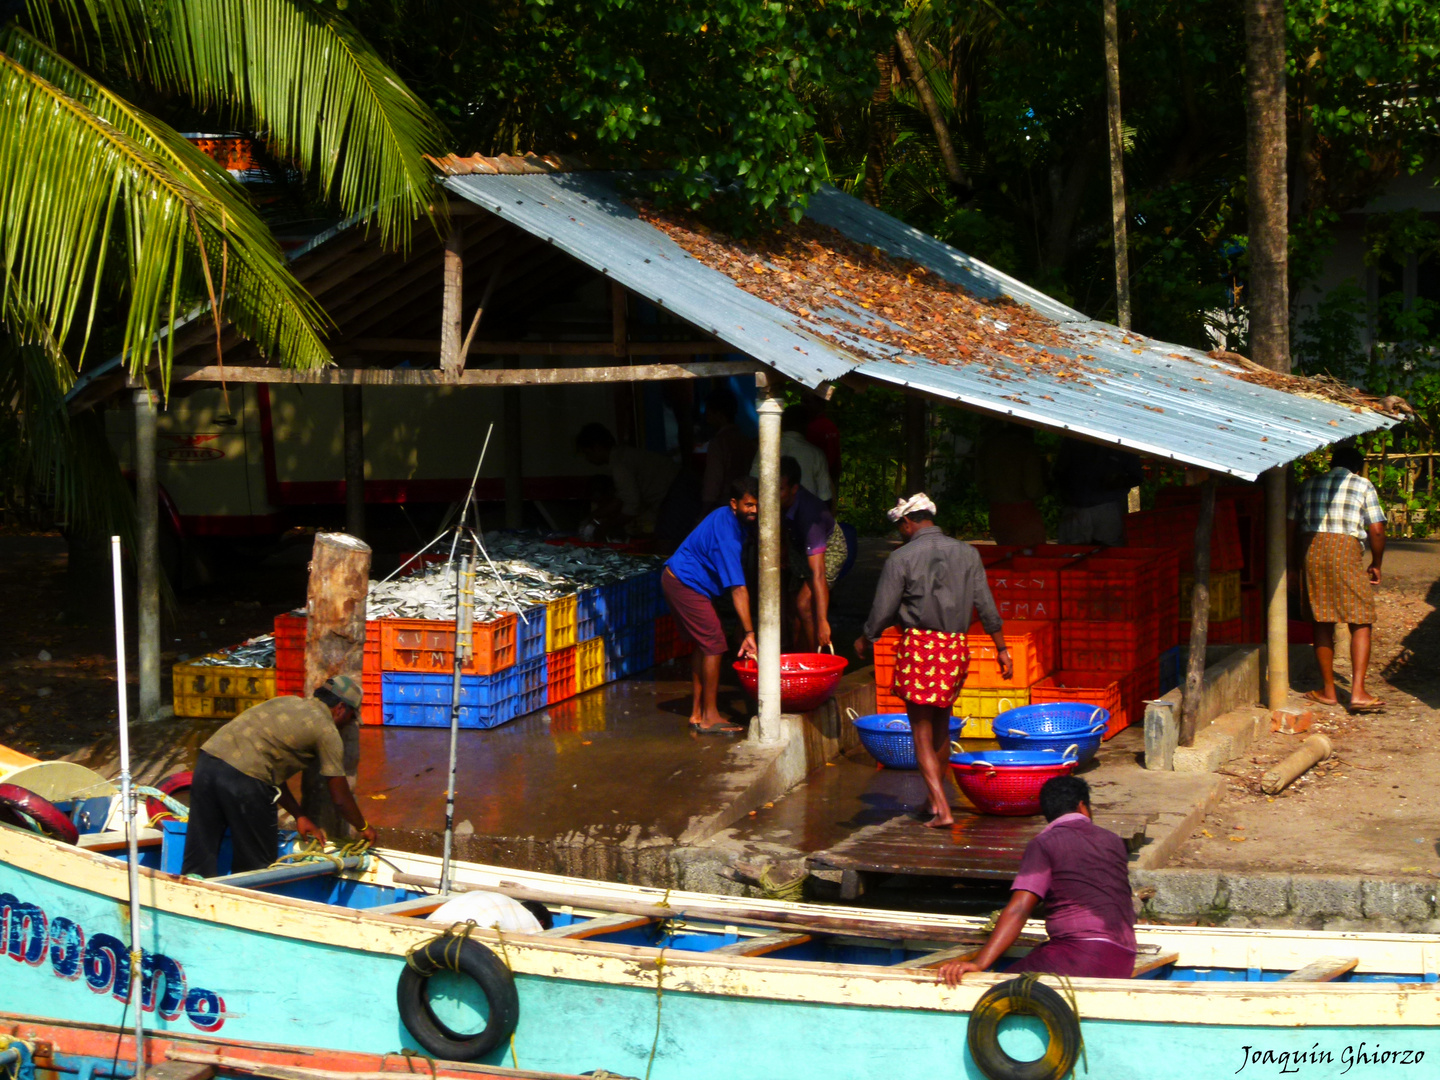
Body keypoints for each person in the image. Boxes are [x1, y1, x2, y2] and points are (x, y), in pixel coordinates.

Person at [854, 493, 1011, 828]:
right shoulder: (968, 553)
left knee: (921, 731)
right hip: (955, 647)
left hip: (921, 648)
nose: (901, 532)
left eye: (901, 527)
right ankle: (932, 799)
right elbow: (985, 605)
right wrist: (1001, 648)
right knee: (942, 726)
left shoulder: (902, 557)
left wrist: (866, 636)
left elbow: (883, 609)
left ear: (908, 523)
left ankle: (942, 807)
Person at [940, 776, 1136, 984]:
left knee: (997, 988)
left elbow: (1020, 909)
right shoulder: (1113, 841)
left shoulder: (1044, 843)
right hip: (1124, 956)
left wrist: (980, 963)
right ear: (1082, 807)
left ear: (1047, 814)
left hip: (1081, 955)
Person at [182, 675, 376, 878]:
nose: (349, 723)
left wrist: (299, 815)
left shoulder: (286, 701)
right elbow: (340, 798)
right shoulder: (327, 730)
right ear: (341, 709)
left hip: (207, 763)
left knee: (199, 855)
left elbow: (267, 768)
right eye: (352, 717)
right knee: (256, 867)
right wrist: (363, 827)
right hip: (244, 782)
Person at [1289, 440, 1387, 713]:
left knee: (1321, 619)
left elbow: (1290, 526)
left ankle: (1329, 691)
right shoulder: (1363, 485)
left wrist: (1292, 564)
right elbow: (1376, 530)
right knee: (1361, 619)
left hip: (1311, 550)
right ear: (1357, 467)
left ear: (1331, 464)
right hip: (1346, 551)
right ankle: (1358, 692)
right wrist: (1376, 563)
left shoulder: (1307, 485)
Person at [663, 477, 760, 733]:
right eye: (749, 505)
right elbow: (738, 589)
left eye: (757, 506)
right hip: (685, 583)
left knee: (705, 644)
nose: (754, 510)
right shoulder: (727, 536)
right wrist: (749, 633)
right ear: (734, 503)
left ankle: (697, 712)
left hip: (685, 581)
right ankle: (710, 717)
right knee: (715, 644)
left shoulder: (727, 516)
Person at [575, 423, 697, 549]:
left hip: (678, 490)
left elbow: (631, 505)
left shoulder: (619, 465)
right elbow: (622, 497)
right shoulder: (621, 455)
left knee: (668, 540)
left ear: (597, 448)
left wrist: (606, 526)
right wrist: (594, 516)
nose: (588, 459)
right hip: (679, 486)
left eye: (588, 453)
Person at [778, 456, 854, 650]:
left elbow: (818, 572)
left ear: (794, 489)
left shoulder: (811, 514)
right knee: (795, 611)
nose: (773, 494)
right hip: (798, 546)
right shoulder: (775, 502)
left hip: (827, 548)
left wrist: (823, 622)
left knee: (804, 604)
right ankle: (797, 658)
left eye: (780, 489)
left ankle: (816, 659)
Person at [1053, 438, 1143, 546]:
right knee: (1071, 554)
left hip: (1107, 508)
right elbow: (1059, 472)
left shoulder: (1121, 440)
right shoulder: (1074, 438)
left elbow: (1136, 477)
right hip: (1075, 506)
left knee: (1109, 553)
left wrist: (1117, 481)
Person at [975, 424, 1047, 547]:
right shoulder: (1025, 448)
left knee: (1006, 555)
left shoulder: (989, 447)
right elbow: (1033, 489)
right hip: (1022, 512)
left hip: (997, 510)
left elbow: (980, 483)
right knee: (1031, 557)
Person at [751, 404, 832, 504]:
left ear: (782, 424)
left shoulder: (765, 450)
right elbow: (825, 495)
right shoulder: (816, 454)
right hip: (806, 514)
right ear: (806, 425)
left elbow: (753, 483)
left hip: (770, 513)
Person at [700, 386, 757, 512]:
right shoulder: (746, 441)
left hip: (724, 507)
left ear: (719, 414)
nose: (706, 415)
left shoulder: (719, 443)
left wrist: (704, 513)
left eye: (709, 411)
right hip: (745, 505)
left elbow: (712, 484)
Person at [803, 395, 842, 488]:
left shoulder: (813, 427)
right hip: (828, 475)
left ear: (819, 405)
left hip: (818, 477)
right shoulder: (831, 426)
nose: (803, 406)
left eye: (807, 402)